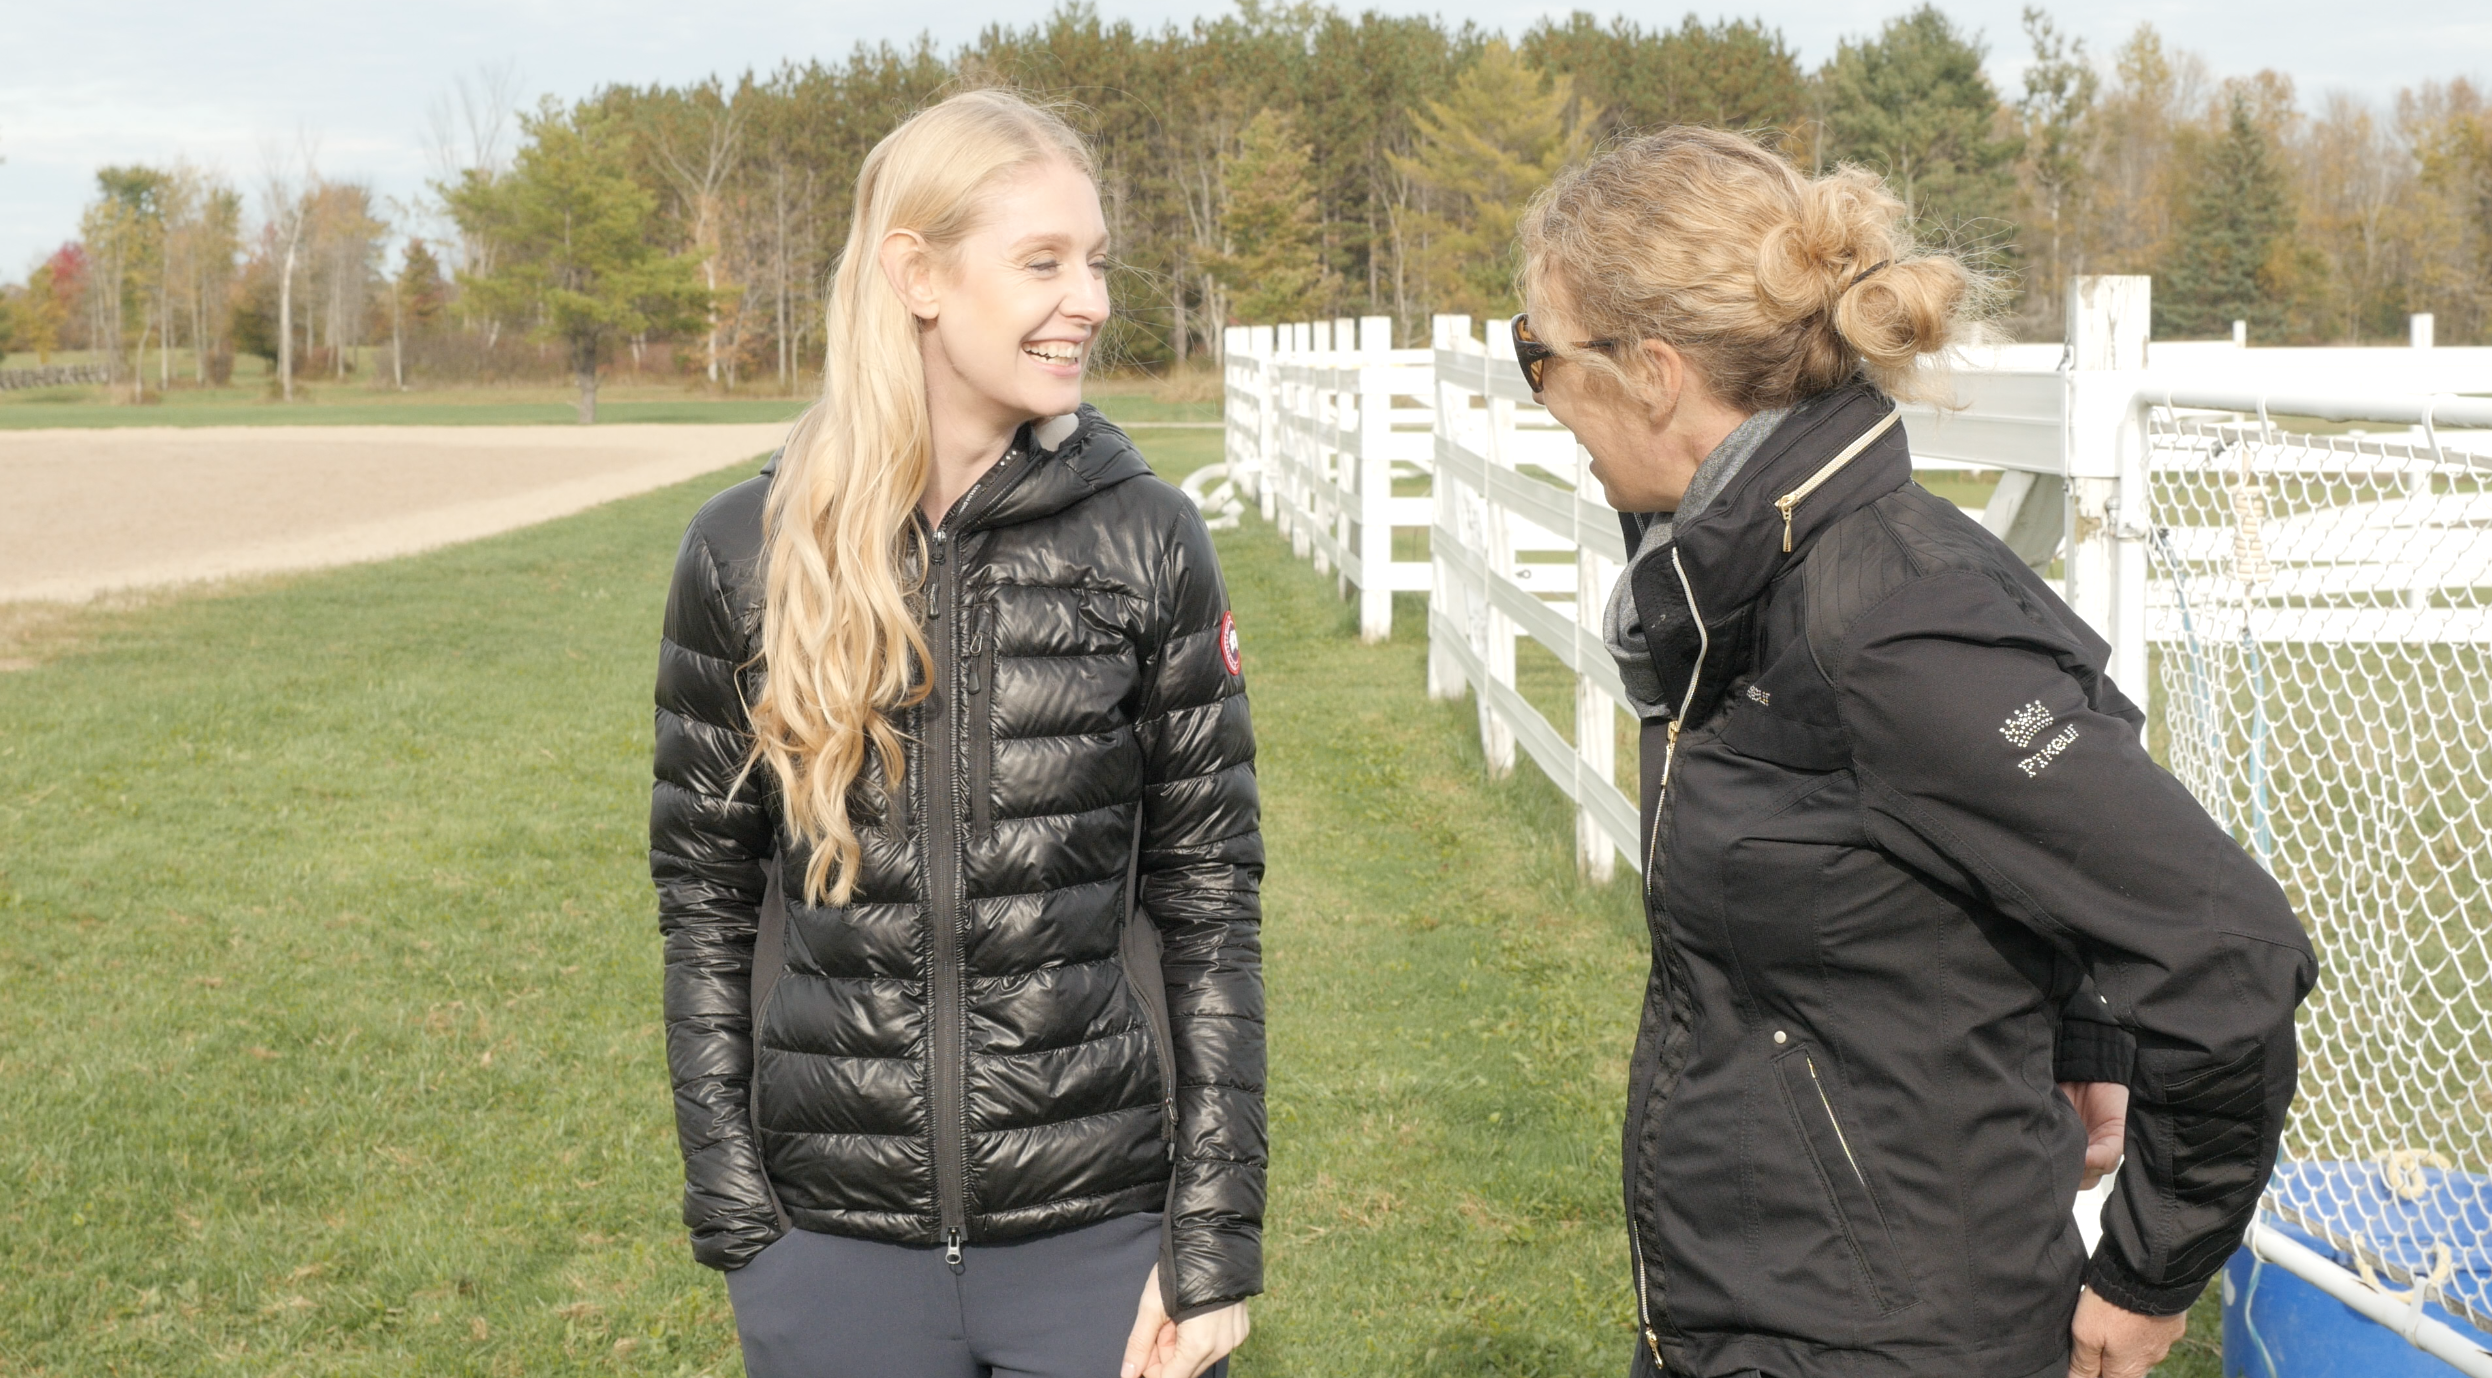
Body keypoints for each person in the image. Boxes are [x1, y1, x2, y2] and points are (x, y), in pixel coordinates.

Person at [1511, 126, 2315, 1378]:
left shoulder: (1879, 616)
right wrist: (2088, 1035)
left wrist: (2152, 1268)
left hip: (1885, 1340)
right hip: (1763, 1313)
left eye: (1536, 355)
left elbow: (2224, 950)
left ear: (1653, 372)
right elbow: (2009, 827)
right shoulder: (1751, 575)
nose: (1542, 399)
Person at [648, 89, 1263, 1378]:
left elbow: (1209, 901)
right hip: (827, 1252)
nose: (1087, 297)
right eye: (1042, 261)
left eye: (1094, 260)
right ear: (914, 275)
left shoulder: (1148, 539)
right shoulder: (741, 553)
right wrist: (735, 1204)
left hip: (1097, 1244)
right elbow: (702, 898)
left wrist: (1210, 1242)